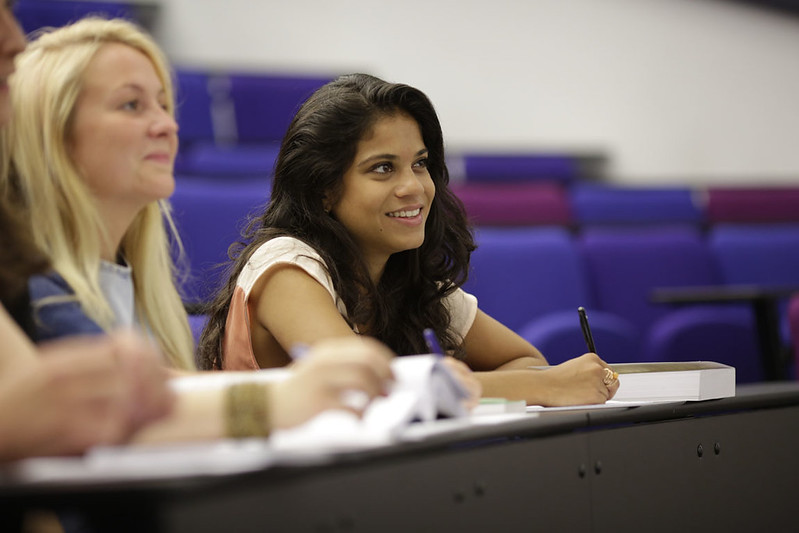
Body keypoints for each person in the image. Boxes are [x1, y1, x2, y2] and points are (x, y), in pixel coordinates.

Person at [1, 17, 404, 447]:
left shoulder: (128, 284)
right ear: (53, 133)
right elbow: (128, 409)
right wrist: (284, 396)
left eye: (163, 104)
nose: (166, 126)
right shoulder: (38, 293)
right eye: (131, 105)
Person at [198, 73, 619, 406]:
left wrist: (455, 387)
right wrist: (541, 388)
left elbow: (526, 361)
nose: (414, 187)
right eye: (383, 168)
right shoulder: (285, 265)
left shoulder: (407, 276)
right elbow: (368, 392)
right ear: (323, 188)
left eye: (420, 164)